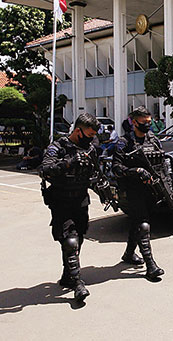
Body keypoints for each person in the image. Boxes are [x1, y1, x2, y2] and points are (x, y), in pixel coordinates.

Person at [38, 113, 101, 302]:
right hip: (61, 199)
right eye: (89, 134)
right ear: (77, 131)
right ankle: (77, 283)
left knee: (79, 237)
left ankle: (67, 275)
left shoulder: (91, 149)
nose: (91, 139)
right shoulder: (57, 147)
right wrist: (69, 162)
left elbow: (96, 172)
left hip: (81, 200)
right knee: (69, 239)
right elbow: (45, 170)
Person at [111, 106, 165, 281]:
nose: (147, 126)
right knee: (143, 225)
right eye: (144, 123)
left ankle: (128, 254)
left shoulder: (153, 140)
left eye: (149, 122)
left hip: (151, 189)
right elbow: (116, 168)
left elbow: (162, 163)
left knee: (138, 221)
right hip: (133, 190)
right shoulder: (124, 142)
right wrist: (136, 171)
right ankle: (150, 266)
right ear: (134, 122)